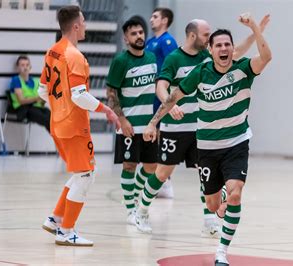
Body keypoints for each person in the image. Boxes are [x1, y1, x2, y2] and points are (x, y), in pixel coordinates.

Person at [143, 13, 272, 266]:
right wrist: (153, 122)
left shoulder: (243, 69)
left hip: (237, 142)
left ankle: (221, 252)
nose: (224, 48)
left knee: (236, 195)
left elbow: (266, 57)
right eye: (218, 45)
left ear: (232, 49)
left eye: (227, 45)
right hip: (208, 147)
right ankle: (221, 192)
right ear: (210, 50)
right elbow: (173, 97)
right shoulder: (200, 72)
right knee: (212, 205)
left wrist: (255, 27)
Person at [39, 5, 120, 246]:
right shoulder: (74, 56)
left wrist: (60, 107)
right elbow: (79, 95)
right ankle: (66, 230)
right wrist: (107, 110)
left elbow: (42, 91)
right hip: (74, 127)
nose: (85, 25)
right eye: (83, 22)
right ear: (75, 26)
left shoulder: (52, 51)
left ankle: (55, 219)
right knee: (86, 175)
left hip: (57, 124)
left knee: (80, 173)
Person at [106, 17, 158, 225]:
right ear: (126, 38)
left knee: (151, 166)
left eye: (140, 32)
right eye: (133, 33)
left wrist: (155, 123)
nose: (138, 36)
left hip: (148, 126)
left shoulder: (152, 58)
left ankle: (135, 196)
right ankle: (130, 209)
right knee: (129, 165)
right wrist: (122, 119)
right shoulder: (120, 61)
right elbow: (111, 92)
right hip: (128, 125)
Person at [144, 7, 178, 198]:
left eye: (155, 16)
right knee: (152, 136)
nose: (151, 19)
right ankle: (157, 178)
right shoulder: (150, 42)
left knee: (159, 136)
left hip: (160, 95)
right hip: (149, 94)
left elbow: (174, 66)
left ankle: (165, 182)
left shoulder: (167, 41)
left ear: (164, 21)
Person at [9, 55, 51, 132]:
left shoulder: (35, 81)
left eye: (27, 65)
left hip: (36, 107)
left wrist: (44, 99)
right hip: (23, 109)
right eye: (22, 65)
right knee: (46, 119)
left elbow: (41, 101)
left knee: (53, 118)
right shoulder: (16, 80)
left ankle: (61, 141)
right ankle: (60, 142)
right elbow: (21, 101)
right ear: (18, 67)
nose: (25, 67)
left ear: (30, 67)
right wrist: (36, 98)